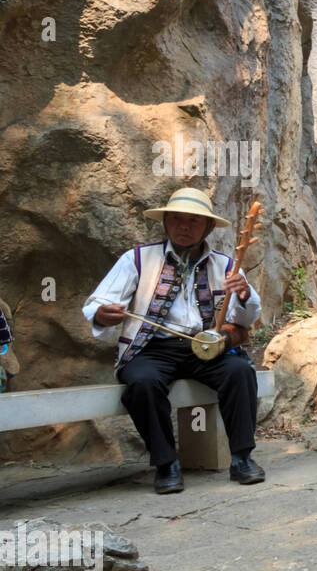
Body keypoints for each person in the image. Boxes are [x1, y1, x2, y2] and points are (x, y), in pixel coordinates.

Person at [83, 188, 266, 493]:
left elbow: (246, 320)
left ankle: (242, 458)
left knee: (239, 372)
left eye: (194, 221)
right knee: (142, 382)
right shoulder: (138, 259)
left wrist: (245, 293)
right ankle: (167, 464)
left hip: (204, 348)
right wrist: (103, 314)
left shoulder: (225, 265)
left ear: (208, 228)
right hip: (152, 349)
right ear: (165, 222)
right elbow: (96, 303)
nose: (184, 226)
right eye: (176, 219)